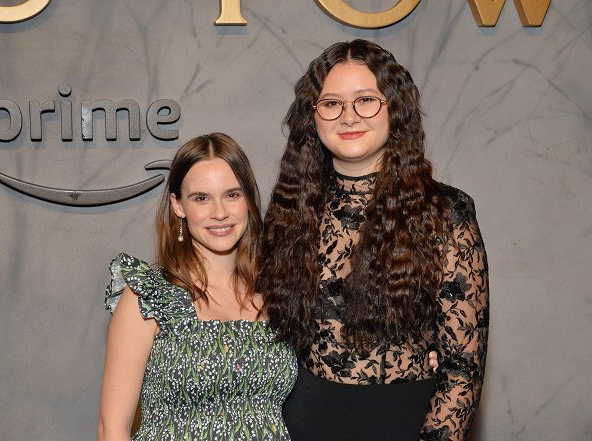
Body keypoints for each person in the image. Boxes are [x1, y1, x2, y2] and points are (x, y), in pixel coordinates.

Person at [258, 40, 489, 441]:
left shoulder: (445, 211)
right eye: (331, 103)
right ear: (312, 117)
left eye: (365, 100)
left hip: (406, 424)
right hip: (301, 424)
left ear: (394, 109)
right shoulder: (289, 211)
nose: (348, 116)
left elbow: (463, 370)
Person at [98, 133, 298, 441]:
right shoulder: (150, 293)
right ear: (178, 206)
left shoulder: (275, 293)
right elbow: (112, 428)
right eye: (201, 198)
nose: (220, 212)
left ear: (248, 199)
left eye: (232, 194)